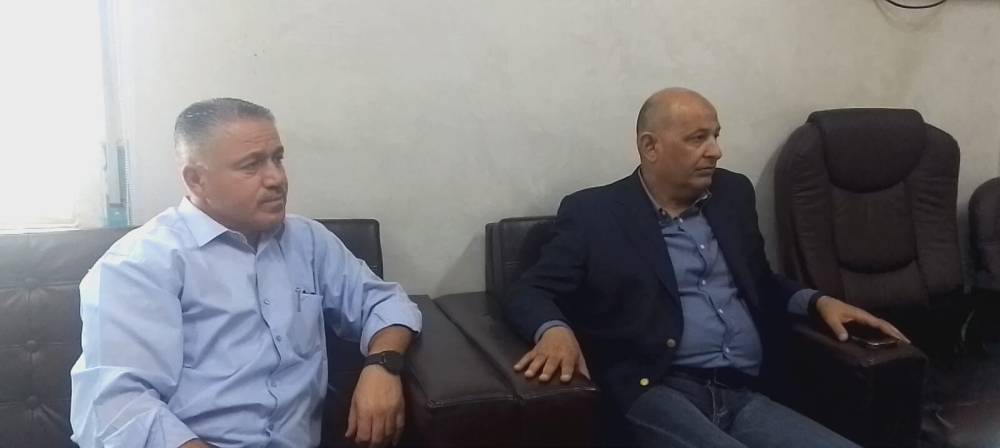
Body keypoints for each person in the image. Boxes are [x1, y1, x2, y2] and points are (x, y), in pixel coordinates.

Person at [502, 87, 908, 448]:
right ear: (650, 147)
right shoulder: (595, 213)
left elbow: (759, 281)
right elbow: (530, 289)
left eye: (716, 135)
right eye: (698, 138)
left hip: (744, 392)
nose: (715, 150)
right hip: (655, 390)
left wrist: (816, 301)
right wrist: (554, 330)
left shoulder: (732, 194)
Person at [70, 98, 421, 448]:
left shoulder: (308, 241)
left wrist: (383, 364)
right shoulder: (140, 263)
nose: (276, 178)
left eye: (277, 158)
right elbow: (116, 408)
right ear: (196, 179)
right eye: (251, 165)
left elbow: (385, 302)